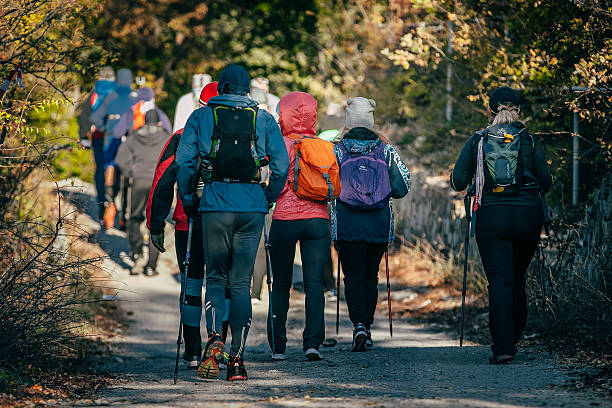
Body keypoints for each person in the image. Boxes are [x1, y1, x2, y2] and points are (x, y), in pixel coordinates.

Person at [176, 65, 289, 381]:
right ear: (247, 90)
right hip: (252, 206)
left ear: (222, 86)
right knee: (240, 284)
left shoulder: (200, 118)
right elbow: (281, 165)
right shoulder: (264, 119)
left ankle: (214, 340)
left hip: (214, 204)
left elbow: (185, 164)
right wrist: (268, 196)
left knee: (215, 278)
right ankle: (237, 361)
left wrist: (189, 201)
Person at [450, 86, 552, 365]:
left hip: (492, 217)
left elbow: (458, 181)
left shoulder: (478, 140)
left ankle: (503, 346)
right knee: (517, 278)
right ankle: (515, 337)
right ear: (518, 110)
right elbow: (546, 182)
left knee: (499, 281)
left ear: (489, 110)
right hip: (527, 217)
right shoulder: (528, 139)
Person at [146, 82, 218, 368]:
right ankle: (218, 343)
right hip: (225, 222)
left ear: (199, 106)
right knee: (220, 284)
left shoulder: (181, 136)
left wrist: (154, 223)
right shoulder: (238, 138)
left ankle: (191, 349)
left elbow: (162, 181)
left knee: (190, 284)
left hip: (188, 223)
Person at [332, 97, 410, 352]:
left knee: (352, 275)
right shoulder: (386, 151)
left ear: (348, 121)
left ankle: (359, 326)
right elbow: (402, 188)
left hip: (346, 224)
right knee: (370, 275)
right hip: (378, 224)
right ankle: (368, 323)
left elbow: (327, 187)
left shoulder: (337, 150)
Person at [266, 91, 332, 361]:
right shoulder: (324, 146)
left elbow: (274, 180)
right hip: (318, 221)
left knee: (280, 284)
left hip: (285, 219)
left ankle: (278, 346)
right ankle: (313, 343)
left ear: (284, 114)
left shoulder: (279, 145)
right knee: (314, 283)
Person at [115, 110, 170, 276]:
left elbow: (120, 159)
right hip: (158, 181)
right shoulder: (166, 137)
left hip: (138, 180)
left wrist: (131, 172)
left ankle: (137, 253)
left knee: (134, 217)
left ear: (144, 122)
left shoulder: (135, 136)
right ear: (159, 123)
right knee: (156, 221)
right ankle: (151, 266)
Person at [89, 68, 138, 229]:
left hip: (110, 140)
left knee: (109, 172)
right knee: (126, 179)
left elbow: (94, 118)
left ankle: (108, 206)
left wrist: (107, 127)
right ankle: (124, 217)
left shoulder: (111, 96)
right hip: (129, 142)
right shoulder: (135, 98)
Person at [78, 66, 116, 222]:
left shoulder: (94, 94)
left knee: (100, 168)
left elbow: (84, 117)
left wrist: (84, 138)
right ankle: (113, 197)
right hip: (115, 137)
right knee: (114, 166)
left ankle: (102, 202)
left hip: (98, 137)